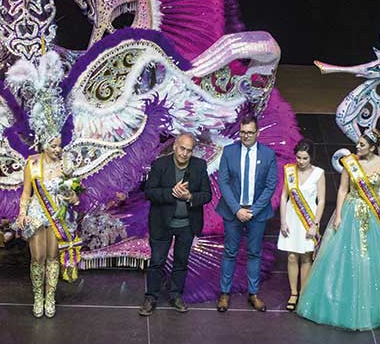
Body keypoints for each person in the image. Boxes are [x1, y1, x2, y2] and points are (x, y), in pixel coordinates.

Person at [295, 132, 380, 330]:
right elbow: (342, 189)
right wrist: (338, 214)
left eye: (362, 144)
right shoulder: (349, 162)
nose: (358, 147)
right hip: (350, 211)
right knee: (344, 257)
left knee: (370, 259)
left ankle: (371, 309)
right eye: (358, 143)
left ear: (372, 148)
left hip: (372, 216)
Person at [139, 133, 212, 316]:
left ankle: (176, 295)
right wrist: (171, 193)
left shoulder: (199, 166)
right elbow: (149, 192)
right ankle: (151, 298)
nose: (184, 154)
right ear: (174, 147)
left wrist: (190, 197)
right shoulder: (160, 165)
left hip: (187, 225)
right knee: (157, 262)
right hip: (162, 223)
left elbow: (207, 194)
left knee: (181, 262)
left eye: (189, 150)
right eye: (182, 148)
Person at [216, 114, 278, 312]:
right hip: (233, 211)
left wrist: (254, 211)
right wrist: (237, 209)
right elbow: (223, 182)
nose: (246, 136)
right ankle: (224, 293)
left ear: (257, 133)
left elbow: (271, 186)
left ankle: (254, 293)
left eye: (250, 133)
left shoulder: (268, 155)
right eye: (243, 132)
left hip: (256, 213)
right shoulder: (228, 152)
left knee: (254, 253)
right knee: (230, 252)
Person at [14, 135, 80, 318]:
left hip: (56, 215)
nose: (57, 150)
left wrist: (72, 198)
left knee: (52, 256)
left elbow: (74, 195)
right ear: (43, 145)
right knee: (38, 257)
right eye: (53, 146)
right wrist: (22, 213)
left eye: (59, 146)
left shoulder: (66, 164)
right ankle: (38, 297)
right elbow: (26, 193)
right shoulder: (32, 164)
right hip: (36, 215)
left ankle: (49, 297)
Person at [277, 139, 325, 312]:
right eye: (298, 157)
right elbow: (284, 196)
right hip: (291, 216)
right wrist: (283, 220)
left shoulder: (319, 173)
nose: (301, 161)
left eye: (305, 158)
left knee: (306, 256)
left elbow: (322, 201)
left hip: (308, 219)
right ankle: (293, 293)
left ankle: (304, 293)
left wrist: (315, 224)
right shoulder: (290, 171)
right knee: (291, 256)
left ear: (311, 157)